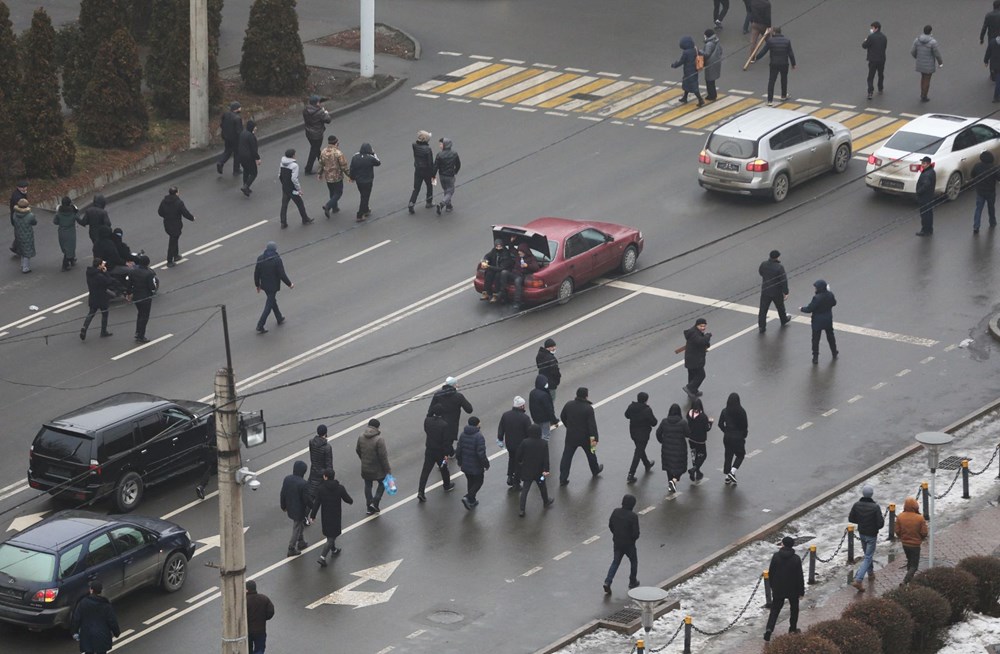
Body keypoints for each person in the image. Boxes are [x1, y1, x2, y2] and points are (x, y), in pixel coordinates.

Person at [558, 387, 603, 485]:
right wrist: (595, 439)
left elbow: (562, 417)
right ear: (586, 396)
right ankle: (595, 470)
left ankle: (563, 478)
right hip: (586, 438)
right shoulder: (588, 408)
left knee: (566, 457)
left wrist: (568, 426)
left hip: (571, 436)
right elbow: (592, 426)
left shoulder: (569, 405)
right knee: (591, 454)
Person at [763, 536, 805, 641]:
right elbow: (799, 576)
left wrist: (773, 586)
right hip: (793, 589)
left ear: (783, 544)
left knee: (775, 609)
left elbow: (771, 572)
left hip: (779, 588)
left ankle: (769, 629)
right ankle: (792, 629)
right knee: (794, 609)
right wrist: (801, 591)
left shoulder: (776, 556)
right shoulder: (796, 558)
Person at [310, 468, 353, 566]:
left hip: (326, 515)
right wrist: (350, 501)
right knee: (331, 537)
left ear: (325, 477)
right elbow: (348, 499)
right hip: (336, 515)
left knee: (330, 534)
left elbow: (317, 503)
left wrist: (312, 515)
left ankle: (333, 550)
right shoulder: (340, 488)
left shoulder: (321, 489)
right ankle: (322, 557)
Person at [849, 484, 885, 591]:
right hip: (872, 534)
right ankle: (858, 580)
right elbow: (880, 524)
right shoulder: (875, 507)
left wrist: (861, 522)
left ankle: (870, 573)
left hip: (862, 533)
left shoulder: (856, 505)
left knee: (867, 555)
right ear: (872, 494)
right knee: (868, 556)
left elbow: (851, 518)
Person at [418, 403, 456, 501]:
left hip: (429, 450)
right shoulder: (444, 425)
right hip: (440, 453)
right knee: (444, 469)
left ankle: (421, 491)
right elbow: (446, 441)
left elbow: (426, 430)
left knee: (425, 471)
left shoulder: (427, 421)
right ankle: (447, 485)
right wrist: (446, 454)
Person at [603, 494, 640, 594]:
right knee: (633, 561)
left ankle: (608, 581)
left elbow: (610, 525)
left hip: (617, 542)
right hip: (629, 544)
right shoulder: (633, 516)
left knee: (615, 562)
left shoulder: (616, 511)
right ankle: (632, 581)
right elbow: (636, 533)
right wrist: (632, 540)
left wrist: (616, 534)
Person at [254, 241, 293, 334]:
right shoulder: (277, 260)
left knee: (272, 301)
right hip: (273, 286)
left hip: (265, 285)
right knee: (268, 305)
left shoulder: (260, 258)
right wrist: (289, 284)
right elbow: (282, 274)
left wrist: (257, 285)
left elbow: (256, 273)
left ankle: (279, 317)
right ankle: (260, 325)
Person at [72, 580, 120, 654]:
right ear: (100, 591)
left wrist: (75, 632)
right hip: (102, 635)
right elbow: (112, 620)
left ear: (91, 590)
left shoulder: (83, 603)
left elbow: (76, 618)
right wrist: (116, 632)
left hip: (87, 635)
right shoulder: (106, 605)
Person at [516, 424, 554, 516]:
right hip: (539, 471)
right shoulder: (543, 443)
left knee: (525, 490)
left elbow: (518, 455)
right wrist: (546, 470)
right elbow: (546, 458)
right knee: (542, 486)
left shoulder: (525, 442)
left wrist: (520, 463)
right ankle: (546, 501)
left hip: (527, 471)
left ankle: (522, 510)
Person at [356, 418, 391, 515]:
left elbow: (358, 450)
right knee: (383, 483)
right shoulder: (379, 440)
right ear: (377, 427)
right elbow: (383, 457)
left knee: (368, 485)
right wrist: (388, 470)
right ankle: (375, 503)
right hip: (377, 469)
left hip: (365, 467)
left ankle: (369, 506)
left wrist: (363, 460)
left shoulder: (361, 437)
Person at [755, 27, 796, 106]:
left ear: (774, 33)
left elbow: (764, 51)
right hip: (784, 64)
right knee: (784, 79)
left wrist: (756, 58)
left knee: (771, 81)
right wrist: (793, 64)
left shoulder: (770, 41)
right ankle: (783, 96)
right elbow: (791, 53)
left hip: (774, 64)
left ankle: (770, 100)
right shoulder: (787, 41)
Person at [800, 279, 838, 364]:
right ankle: (834, 351)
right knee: (830, 336)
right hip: (828, 320)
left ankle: (815, 357)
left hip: (817, 322)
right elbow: (834, 303)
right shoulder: (830, 295)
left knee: (815, 339)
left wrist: (802, 309)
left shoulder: (817, 298)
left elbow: (810, 309)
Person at [498, 396, 531, 489]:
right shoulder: (525, 418)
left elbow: (501, 428)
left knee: (511, 459)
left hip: (509, 443)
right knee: (519, 463)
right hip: (521, 445)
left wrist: (500, 438)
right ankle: (516, 482)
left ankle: (510, 476)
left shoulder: (506, 415)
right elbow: (529, 432)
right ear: (521, 406)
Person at [158, 186, 196, 268]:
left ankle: (176, 255)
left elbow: (160, 212)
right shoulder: (179, 202)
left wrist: (167, 216)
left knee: (174, 239)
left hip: (167, 223)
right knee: (173, 242)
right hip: (176, 224)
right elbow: (185, 212)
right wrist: (192, 218)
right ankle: (169, 260)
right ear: (176, 193)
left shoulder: (164, 201)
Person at [429, 376, 474, 445]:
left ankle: (444, 454)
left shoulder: (437, 395)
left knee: (440, 443)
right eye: (456, 384)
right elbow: (469, 410)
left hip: (439, 424)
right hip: (452, 425)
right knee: (448, 444)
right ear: (453, 385)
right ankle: (448, 454)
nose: (458, 385)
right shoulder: (458, 396)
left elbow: (430, 412)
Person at [456, 416, 489, 509]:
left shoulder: (463, 434)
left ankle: (472, 501)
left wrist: (459, 461)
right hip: (476, 465)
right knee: (479, 481)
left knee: (470, 481)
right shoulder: (479, 436)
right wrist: (486, 464)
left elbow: (458, 450)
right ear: (477, 424)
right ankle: (468, 497)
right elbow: (481, 453)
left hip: (465, 464)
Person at [624, 391, 658, 483]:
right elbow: (654, 422)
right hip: (643, 435)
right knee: (638, 453)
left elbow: (626, 415)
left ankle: (647, 464)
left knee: (639, 449)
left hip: (633, 433)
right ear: (646, 400)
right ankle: (631, 474)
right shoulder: (647, 410)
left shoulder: (631, 406)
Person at [279, 460, 311, 556]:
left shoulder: (287, 479)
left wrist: (283, 506)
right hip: (299, 510)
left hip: (290, 507)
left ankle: (301, 541)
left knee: (299, 525)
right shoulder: (303, 483)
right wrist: (313, 507)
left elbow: (282, 494)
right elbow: (306, 499)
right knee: (297, 527)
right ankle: (291, 547)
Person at [657, 403, 689, 495]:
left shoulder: (664, 421)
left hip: (666, 448)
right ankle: (674, 481)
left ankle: (670, 482)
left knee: (668, 467)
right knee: (681, 467)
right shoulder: (683, 422)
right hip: (680, 448)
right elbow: (688, 434)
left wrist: (662, 441)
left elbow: (658, 433)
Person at [895, 496, 928, 584]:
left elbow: (897, 531)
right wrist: (920, 538)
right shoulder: (919, 518)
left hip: (905, 544)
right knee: (914, 565)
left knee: (909, 560)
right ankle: (905, 581)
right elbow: (924, 532)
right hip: (915, 545)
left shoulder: (900, 517)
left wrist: (902, 537)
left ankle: (910, 579)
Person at [80, 258, 115, 340]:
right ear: (99, 266)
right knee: (105, 314)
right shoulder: (99, 276)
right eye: (102, 264)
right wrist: (106, 272)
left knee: (91, 313)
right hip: (102, 297)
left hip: (93, 296)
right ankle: (103, 331)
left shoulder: (89, 273)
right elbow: (108, 282)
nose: (103, 265)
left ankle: (84, 327)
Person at [317, 134, 350, 218]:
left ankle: (335, 208)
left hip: (328, 176)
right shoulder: (338, 153)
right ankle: (328, 206)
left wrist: (319, 173)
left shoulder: (323, 151)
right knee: (338, 193)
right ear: (336, 143)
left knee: (332, 192)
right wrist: (349, 175)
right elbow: (344, 166)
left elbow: (321, 163)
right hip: (337, 176)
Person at [719, 392, 748, 485]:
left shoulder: (724, 411)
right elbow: (745, 426)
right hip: (738, 437)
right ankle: (732, 472)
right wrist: (743, 435)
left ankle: (727, 477)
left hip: (727, 437)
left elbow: (720, 424)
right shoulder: (742, 411)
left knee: (728, 456)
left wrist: (726, 431)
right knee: (740, 455)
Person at [278, 148, 313, 227]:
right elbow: (294, 179)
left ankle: (283, 222)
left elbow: (279, 175)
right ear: (293, 156)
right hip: (292, 189)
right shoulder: (294, 165)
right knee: (299, 203)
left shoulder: (282, 163)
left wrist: (284, 184)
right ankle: (305, 219)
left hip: (285, 187)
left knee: (284, 205)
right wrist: (299, 189)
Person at [758, 249, 790, 333]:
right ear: (777, 257)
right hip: (776, 292)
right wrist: (786, 292)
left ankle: (762, 326)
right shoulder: (779, 267)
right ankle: (784, 320)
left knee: (763, 309)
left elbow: (760, 272)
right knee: (780, 307)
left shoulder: (764, 264)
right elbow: (783, 280)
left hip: (765, 290)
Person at [127, 255, 157, 343]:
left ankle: (137, 331)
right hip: (145, 297)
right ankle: (141, 336)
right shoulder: (149, 273)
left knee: (140, 314)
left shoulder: (133, 271)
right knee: (144, 316)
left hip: (136, 296)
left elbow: (129, 284)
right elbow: (152, 286)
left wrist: (129, 294)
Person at [501, 242, 540, 310]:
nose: (519, 253)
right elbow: (511, 248)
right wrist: (511, 241)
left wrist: (527, 266)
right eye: (519, 251)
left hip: (522, 275)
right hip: (514, 273)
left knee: (517, 281)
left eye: (521, 251)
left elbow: (536, 267)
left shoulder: (531, 258)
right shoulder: (518, 255)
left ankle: (517, 302)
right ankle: (503, 295)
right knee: (504, 273)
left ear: (525, 251)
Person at [349, 142, 381, 222]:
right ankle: (360, 214)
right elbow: (378, 163)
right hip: (367, 181)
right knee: (365, 197)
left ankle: (366, 209)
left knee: (363, 195)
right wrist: (374, 153)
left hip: (359, 181)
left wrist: (352, 177)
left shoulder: (355, 157)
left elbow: (352, 168)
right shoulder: (370, 158)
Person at [911, 25, 943, 102]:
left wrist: (918, 58)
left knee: (922, 78)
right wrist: (940, 63)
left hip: (920, 63)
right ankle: (924, 95)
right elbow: (937, 54)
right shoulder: (933, 42)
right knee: (927, 80)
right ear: (930, 32)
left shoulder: (917, 40)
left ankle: (922, 93)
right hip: (929, 64)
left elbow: (912, 52)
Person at [682, 318, 712, 398]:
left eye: (704, 326)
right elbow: (701, 341)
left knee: (692, 375)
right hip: (695, 360)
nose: (703, 328)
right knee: (701, 375)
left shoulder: (694, 332)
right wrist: (707, 336)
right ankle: (689, 388)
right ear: (697, 325)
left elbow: (701, 343)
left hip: (691, 359)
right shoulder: (694, 333)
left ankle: (693, 391)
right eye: (701, 326)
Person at [303, 94, 332, 174]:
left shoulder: (306, 110)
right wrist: (325, 112)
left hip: (309, 133)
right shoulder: (320, 113)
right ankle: (308, 169)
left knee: (315, 148)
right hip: (317, 135)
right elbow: (328, 120)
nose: (320, 103)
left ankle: (323, 162)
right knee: (314, 150)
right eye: (319, 102)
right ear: (316, 103)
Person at [671, 36, 704, 107]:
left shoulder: (686, 52)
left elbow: (681, 61)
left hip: (689, 71)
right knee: (687, 83)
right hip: (695, 69)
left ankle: (700, 99)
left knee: (693, 86)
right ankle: (685, 97)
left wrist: (674, 65)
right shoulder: (695, 49)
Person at [408, 129, 435, 213]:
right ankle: (429, 202)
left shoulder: (414, 146)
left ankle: (411, 202)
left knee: (416, 188)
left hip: (418, 170)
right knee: (429, 186)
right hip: (426, 171)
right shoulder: (428, 149)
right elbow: (430, 163)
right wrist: (433, 173)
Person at [433, 137, 461, 214]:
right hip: (450, 176)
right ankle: (442, 203)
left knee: (446, 190)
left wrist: (433, 176)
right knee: (450, 191)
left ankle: (449, 206)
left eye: (441, 144)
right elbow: (458, 164)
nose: (440, 146)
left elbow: (435, 166)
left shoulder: (439, 155)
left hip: (442, 176)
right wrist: (455, 171)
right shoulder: (454, 154)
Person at [972, 151, 999, 232]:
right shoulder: (993, 167)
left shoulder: (977, 166)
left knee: (978, 209)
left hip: (980, 191)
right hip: (990, 192)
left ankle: (976, 226)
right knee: (991, 208)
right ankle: (992, 222)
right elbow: (999, 178)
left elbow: (972, 175)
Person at [53, 196, 83, 271]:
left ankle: (72, 260)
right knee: (70, 248)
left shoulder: (59, 213)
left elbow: (55, 222)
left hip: (61, 232)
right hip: (70, 232)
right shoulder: (73, 212)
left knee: (66, 248)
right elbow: (79, 220)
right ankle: (65, 265)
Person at [686, 398, 713, 481]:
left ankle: (696, 472)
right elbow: (707, 428)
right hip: (700, 440)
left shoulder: (689, 414)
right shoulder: (703, 417)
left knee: (694, 455)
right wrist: (710, 423)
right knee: (703, 455)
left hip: (691, 439)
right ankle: (694, 469)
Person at [245, 580, 275, 654]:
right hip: (260, 630)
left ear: (246, 589)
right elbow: (271, 612)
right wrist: (263, 618)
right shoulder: (264, 598)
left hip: (247, 631)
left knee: (248, 649)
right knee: (260, 649)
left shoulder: (244, 601)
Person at [529, 374, 560, 441]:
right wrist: (554, 421)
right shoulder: (544, 395)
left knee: (537, 434)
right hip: (545, 419)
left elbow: (530, 406)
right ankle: (542, 448)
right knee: (545, 435)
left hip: (536, 418)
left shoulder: (532, 393)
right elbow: (549, 410)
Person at [308, 424, 334, 501]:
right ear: (325, 433)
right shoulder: (327, 447)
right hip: (323, 475)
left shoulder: (311, 442)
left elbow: (312, 456)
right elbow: (329, 464)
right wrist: (329, 477)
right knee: (322, 498)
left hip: (313, 471)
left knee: (310, 495)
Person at [862, 21, 887, 100]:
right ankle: (880, 87)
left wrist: (866, 40)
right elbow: (884, 47)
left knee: (871, 76)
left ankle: (870, 92)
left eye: (872, 28)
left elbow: (864, 46)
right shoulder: (884, 37)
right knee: (880, 74)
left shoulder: (871, 37)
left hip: (873, 60)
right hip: (881, 59)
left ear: (876, 28)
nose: (871, 29)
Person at [216, 101, 242, 176]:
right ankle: (236, 170)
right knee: (237, 153)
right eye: (239, 107)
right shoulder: (237, 118)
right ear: (236, 109)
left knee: (227, 151)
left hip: (227, 137)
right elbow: (239, 131)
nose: (240, 109)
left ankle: (220, 162)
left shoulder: (225, 115)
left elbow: (221, 125)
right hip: (235, 139)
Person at [12, 199, 36, 273]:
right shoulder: (30, 215)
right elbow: (34, 222)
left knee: (22, 250)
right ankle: (25, 268)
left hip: (18, 234)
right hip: (27, 235)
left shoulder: (15, 214)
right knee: (27, 251)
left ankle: (22, 264)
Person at [915, 156, 937, 236]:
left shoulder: (927, 174)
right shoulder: (931, 171)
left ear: (928, 164)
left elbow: (926, 185)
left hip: (925, 197)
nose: (922, 165)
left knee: (925, 214)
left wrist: (918, 192)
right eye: (922, 163)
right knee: (929, 214)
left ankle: (925, 230)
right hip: (929, 196)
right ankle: (929, 229)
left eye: (924, 163)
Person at [238, 120, 261, 197]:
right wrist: (257, 158)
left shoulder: (243, 133)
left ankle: (245, 186)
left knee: (246, 171)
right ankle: (246, 186)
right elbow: (253, 149)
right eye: (255, 127)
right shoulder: (251, 136)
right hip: (249, 158)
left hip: (241, 157)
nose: (256, 128)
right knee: (254, 173)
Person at [535, 338, 561, 402]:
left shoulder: (539, 355)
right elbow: (555, 372)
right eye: (552, 347)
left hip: (541, 383)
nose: (554, 348)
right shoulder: (551, 358)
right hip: (551, 384)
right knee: (550, 402)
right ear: (547, 348)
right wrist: (557, 381)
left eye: (554, 346)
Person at [702, 29, 723, 102]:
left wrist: (700, 51)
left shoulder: (709, 44)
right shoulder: (716, 41)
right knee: (712, 80)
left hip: (710, 64)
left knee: (709, 80)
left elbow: (706, 54)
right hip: (716, 61)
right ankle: (713, 94)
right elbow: (721, 51)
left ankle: (711, 95)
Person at [8, 180, 27, 256]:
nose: (24, 188)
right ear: (18, 188)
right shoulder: (17, 197)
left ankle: (15, 247)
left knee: (19, 233)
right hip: (18, 217)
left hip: (17, 217)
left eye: (25, 187)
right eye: (22, 187)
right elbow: (20, 208)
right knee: (20, 233)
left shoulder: (20, 193)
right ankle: (17, 248)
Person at [987, 35, 1000, 103]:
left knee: (998, 80)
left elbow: (988, 52)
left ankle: (996, 97)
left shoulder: (992, 42)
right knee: (998, 82)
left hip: (995, 66)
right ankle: (996, 97)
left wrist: (985, 60)